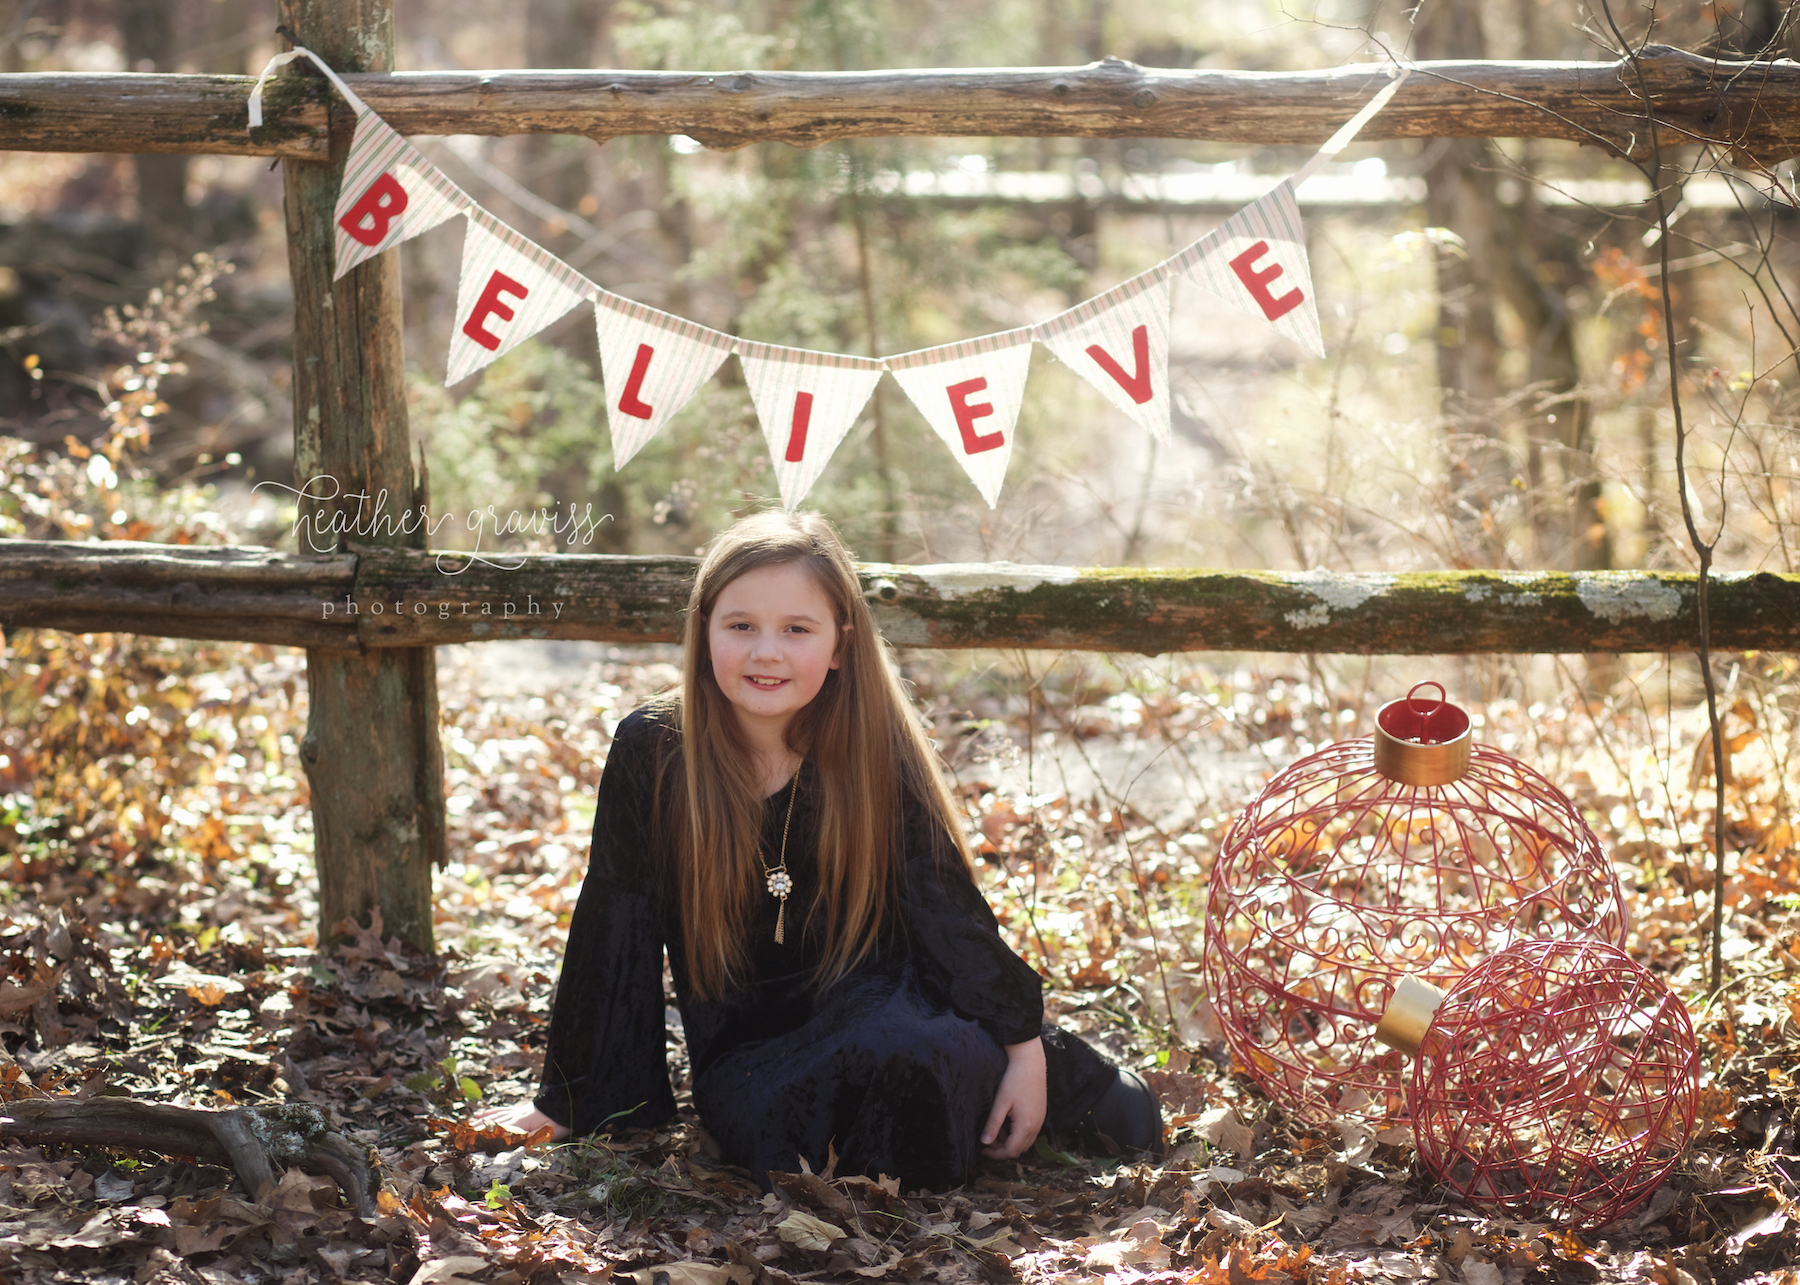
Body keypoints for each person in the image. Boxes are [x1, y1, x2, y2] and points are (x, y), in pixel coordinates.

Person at [478, 510, 1160, 1189]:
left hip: (895, 1000)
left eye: (796, 629)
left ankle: (982, 1079)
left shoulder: (867, 744)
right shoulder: (655, 750)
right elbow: (614, 917)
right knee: (861, 1087)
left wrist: (1022, 1044)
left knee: (1122, 1116)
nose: (765, 651)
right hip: (755, 1056)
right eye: (740, 625)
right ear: (704, 630)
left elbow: (943, 905)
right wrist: (570, 1099)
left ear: (839, 644)